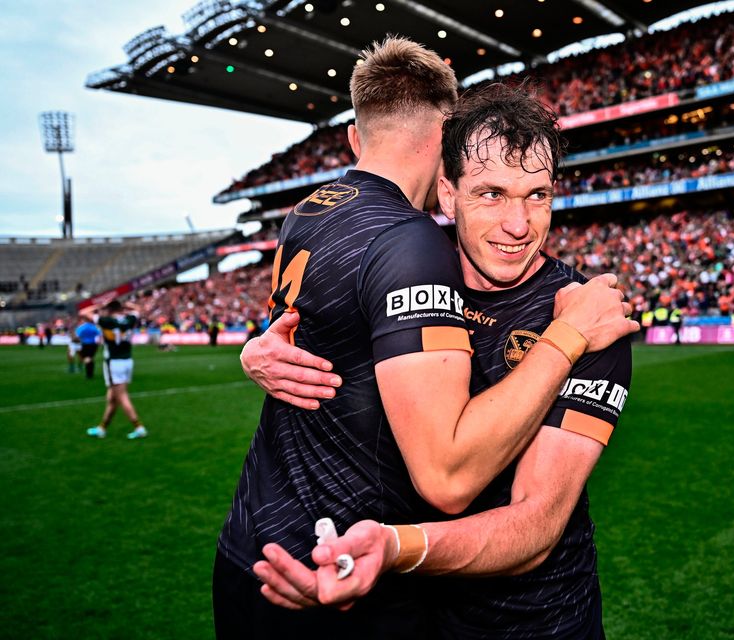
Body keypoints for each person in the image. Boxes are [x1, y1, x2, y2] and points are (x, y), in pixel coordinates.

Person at [214, 39, 635, 640]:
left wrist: (395, 546)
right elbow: (331, 330)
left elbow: (537, 525)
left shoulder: (589, 315)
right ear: (447, 193)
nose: (518, 225)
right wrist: (259, 349)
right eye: (491, 194)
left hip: (535, 624)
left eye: (537, 196)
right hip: (416, 614)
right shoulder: (415, 267)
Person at [85, 299, 148, 440]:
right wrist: (128, 305)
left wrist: (99, 305)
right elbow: (139, 309)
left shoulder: (107, 321)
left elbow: (83, 313)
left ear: (109, 309)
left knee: (122, 396)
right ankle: (102, 428)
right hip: (127, 360)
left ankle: (138, 427)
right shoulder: (129, 319)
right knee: (112, 398)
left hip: (114, 361)